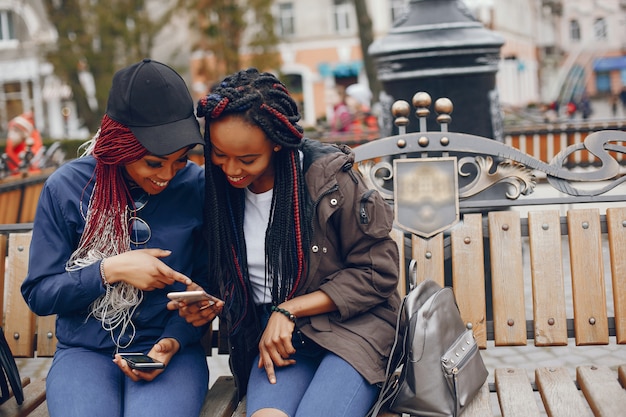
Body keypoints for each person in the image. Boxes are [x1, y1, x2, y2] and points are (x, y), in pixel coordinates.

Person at [171, 68, 401, 417]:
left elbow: (377, 272)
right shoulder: (217, 193)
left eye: (247, 159)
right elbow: (221, 270)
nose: (231, 169)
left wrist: (290, 308)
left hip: (352, 329)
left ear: (277, 142)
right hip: (278, 339)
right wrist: (210, 299)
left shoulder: (328, 179)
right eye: (219, 154)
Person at [20, 59, 223, 417]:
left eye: (180, 160)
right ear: (120, 149)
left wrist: (175, 337)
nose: (168, 175)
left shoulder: (197, 186)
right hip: (85, 352)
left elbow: (208, 280)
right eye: (154, 163)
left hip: (168, 349)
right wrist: (108, 270)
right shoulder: (67, 188)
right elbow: (39, 292)